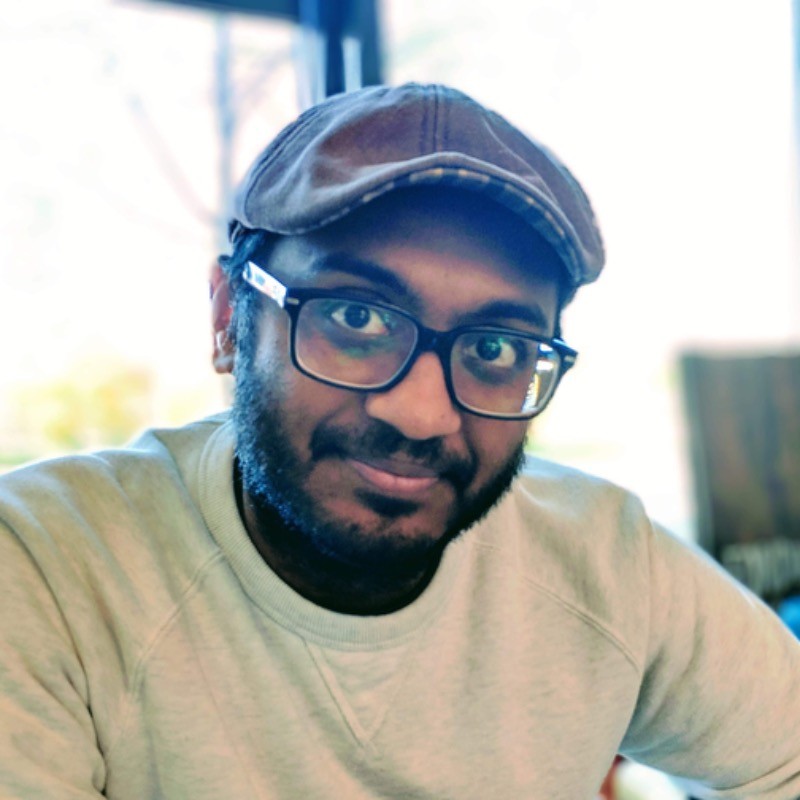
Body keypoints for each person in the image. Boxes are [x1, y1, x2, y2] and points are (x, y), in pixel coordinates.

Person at [1, 83, 799, 800]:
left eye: (495, 348)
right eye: (356, 317)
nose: (421, 415)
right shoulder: (49, 569)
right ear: (228, 319)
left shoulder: (607, 565)